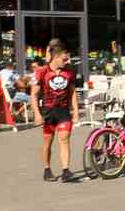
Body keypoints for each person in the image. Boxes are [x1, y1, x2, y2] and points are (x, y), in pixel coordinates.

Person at [31, 41, 81, 183]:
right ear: (55, 57)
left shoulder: (69, 72)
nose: (67, 61)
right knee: (48, 142)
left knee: (64, 139)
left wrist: (76, 112)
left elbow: (72, 92)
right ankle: (47, 169)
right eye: (64, 59)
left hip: (63, 111)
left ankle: (66, 171)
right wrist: (37, 114)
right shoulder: (41, 72)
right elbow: (33, 95)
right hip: (48, 111)